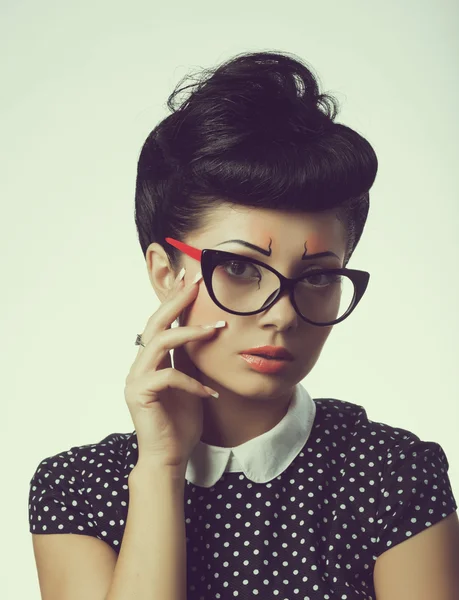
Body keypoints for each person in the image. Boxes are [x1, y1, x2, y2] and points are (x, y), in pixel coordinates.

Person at [28, 50, 459, 600]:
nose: (280, 314)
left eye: (320, 278)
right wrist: (160, 468)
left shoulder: (391, 474)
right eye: (239, 268)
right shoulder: (78, 490)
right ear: (166, 272)